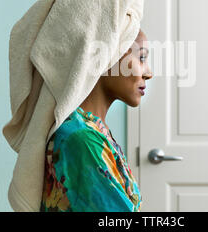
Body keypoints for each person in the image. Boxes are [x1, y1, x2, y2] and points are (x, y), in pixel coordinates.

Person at [40, 29, 153, 212]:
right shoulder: (82, 140)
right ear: (105, 57)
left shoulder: (93, 128)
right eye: (141, 58)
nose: (149, 73)